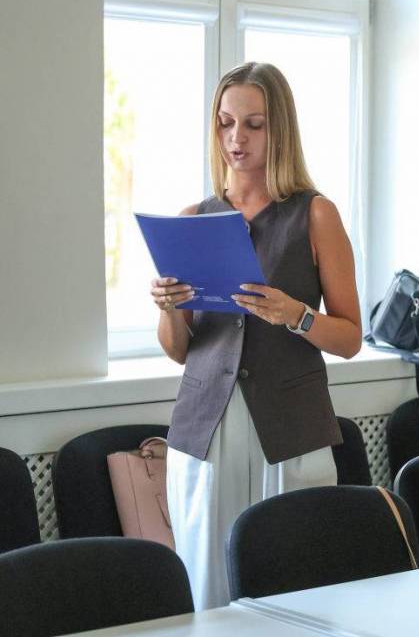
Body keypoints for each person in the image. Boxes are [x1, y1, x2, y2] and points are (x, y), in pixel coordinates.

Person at [150, 62, 362, 608]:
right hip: (205, 429)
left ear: (279, 128)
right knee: (208, 589)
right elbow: (179, 351)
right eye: (225, 123)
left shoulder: (316, 215)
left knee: (295, 586)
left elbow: (349, 338)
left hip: (291, 427)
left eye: (253, 124)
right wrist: (169, 309)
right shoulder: (192, 217)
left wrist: (296, 315)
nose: (236, 138)